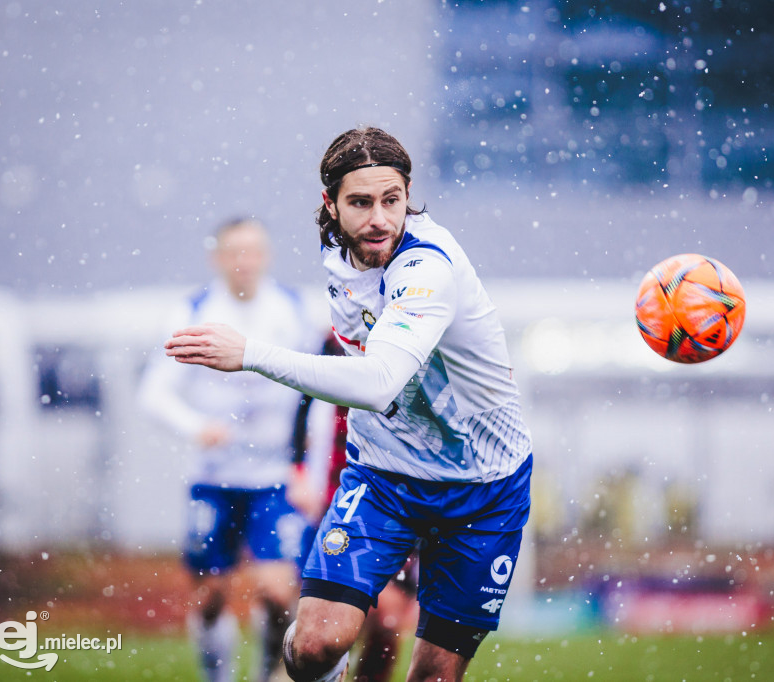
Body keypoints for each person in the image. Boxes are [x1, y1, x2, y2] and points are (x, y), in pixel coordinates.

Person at [164, 126, 534, 682]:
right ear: (330, 205)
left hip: (482, 487)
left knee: (433, 674)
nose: (379, 219)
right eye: (360, 202)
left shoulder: (428, 267)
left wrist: (251, 354)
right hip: (384, 476)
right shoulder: (338, 248)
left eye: (392, 201)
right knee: (316, 645)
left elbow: (378, 381)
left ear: (409, 195)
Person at [138, 217, 319, 682]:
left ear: (267, 255)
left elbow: (317, 391)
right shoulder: (193, 310)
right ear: (217, 258)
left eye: (254, 250)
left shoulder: (294, 310)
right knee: (210, 595)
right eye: (235, 251)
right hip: (213, 477)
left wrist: (308, 467)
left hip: (274, 477)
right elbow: (154, 393)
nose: (245, 261)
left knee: (280, 592)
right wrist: (197, 426)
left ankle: (265, 674)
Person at [289, 333, 420, 682]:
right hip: (338, 500)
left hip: (397, 500)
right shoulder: (335, 340)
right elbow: (302, 405)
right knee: (319, 633)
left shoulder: (415, 336)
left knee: (389, 621)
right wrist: (298, 471)